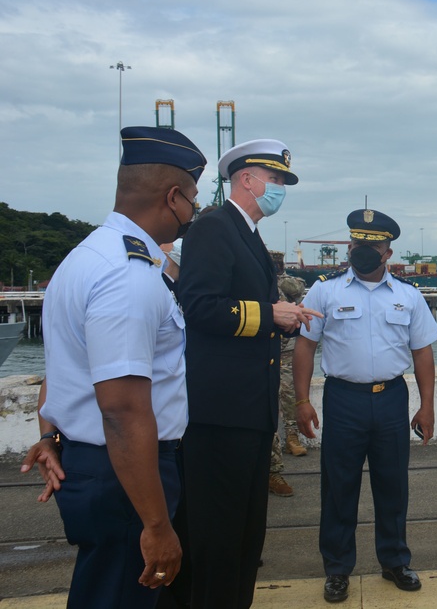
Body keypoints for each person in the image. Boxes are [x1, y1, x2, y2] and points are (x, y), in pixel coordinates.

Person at [20, 126, 205, 607]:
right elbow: (122, 410)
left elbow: (63, 365)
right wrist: (157, 524)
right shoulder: (128, 276)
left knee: (101, 589)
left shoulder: (83, 258)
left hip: (93, 462)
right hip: (126, 475)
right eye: (193, 200)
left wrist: (48, 436)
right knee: (121, 593)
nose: (193, 213)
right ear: (173, 197)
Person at [176, 139, 319, 608]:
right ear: (246, 179)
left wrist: (279, 312)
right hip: (221, 416)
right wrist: (269, 314)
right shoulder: (214, 229)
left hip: (249, 415)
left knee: (245, 537)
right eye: (276, 180)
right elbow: (199, 307)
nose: (280, 189)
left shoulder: (247, 234)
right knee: (219, 538)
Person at [293, 208, 437, 604]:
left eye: (372, 246)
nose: (362, 250)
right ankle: (337, 569)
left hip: (392, 399)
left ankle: (395, 561)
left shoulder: (408, 296)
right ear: (350, 246)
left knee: (393, 486)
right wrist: (303, 400)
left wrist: (426, 407)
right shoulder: (325, 290)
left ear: (387, 252)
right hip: (344, 400)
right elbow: (305, 347)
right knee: (339, 488)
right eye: (357, 243)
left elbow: (423, 353)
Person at [267, 249, 308, 499]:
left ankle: (291, 439)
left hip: (286, 350)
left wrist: (278, 275)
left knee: (288, 395)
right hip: (264, 352)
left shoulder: (286, 283)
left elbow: (297, 289)